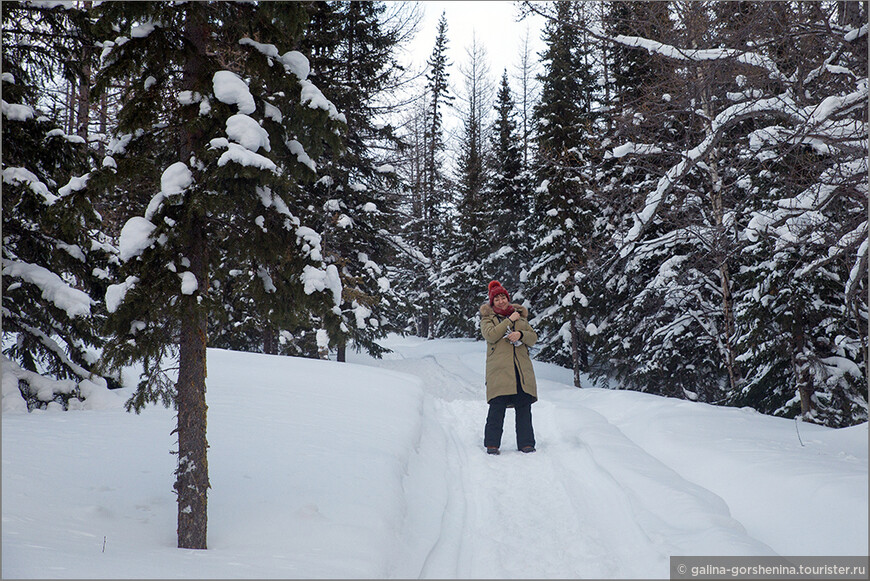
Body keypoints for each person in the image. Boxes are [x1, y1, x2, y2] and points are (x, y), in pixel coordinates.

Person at [479, 280, 538, 455]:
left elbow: (533, 338)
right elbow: (491, 335)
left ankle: (526, 443)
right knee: (497, 408)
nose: (501, 301)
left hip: (520, 370)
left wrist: (520, 334)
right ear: (492, 302)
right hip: (499, 371)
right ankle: (492, 444)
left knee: (524, 407)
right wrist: (508, 321)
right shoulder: (487, 319)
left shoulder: (521, 318)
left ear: (508, 298)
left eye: (503, 297)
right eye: (496, 299)